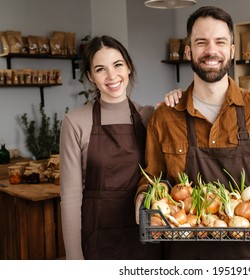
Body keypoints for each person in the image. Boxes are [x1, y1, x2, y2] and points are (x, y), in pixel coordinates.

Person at [135, 6, 250, 260]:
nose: (211, 51)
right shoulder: (165, 118)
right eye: (201, 42)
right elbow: (153, 177)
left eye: (220, 42)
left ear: (232, 51)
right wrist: (145, 199)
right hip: (185, 259)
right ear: (188, 50)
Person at [60, 35, 180, 260]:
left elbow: (167, 173)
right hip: (98, 238)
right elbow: (70, 198)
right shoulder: (75, 122)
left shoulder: (148, 116)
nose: (112, 75)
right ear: (90, 76)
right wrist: (74, 260)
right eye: (100, 69)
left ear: (129, 68)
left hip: (145, 237)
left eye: (117, 65)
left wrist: (178, 98)